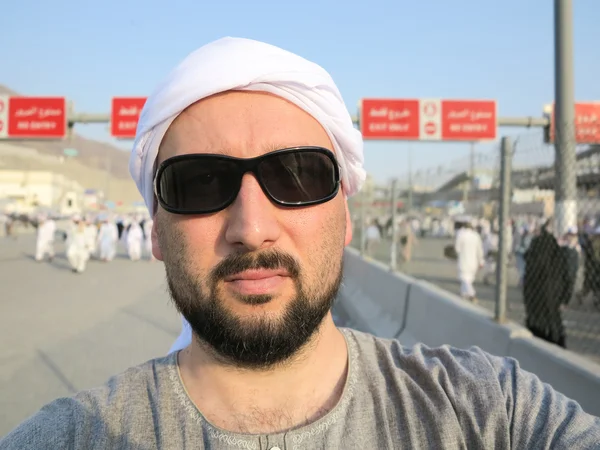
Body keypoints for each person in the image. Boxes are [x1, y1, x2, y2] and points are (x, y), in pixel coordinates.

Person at [2, 37, 599, 449]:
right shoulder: (73, 436)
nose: (251, 226)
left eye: (297, 176)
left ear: (344, 210)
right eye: (199, 183)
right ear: (155, 228)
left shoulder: (489, 412)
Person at [523, 220, 569, 348]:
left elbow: (528, 279)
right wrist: (565, 296)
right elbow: (567, 276)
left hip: (537, 296)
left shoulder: (534, 252)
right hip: (553, 294)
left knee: (538, 322)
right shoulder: (557, 253)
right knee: (554, 321)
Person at [454, 217, 484, 303]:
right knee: (468, 279)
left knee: (465, 280)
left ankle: (472, 295)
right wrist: (481, 261)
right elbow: (480, 250)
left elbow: (457, 249)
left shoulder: (460, 234)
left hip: (463, 261)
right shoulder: (476, 235)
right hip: (473, 262)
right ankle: (463, 295)